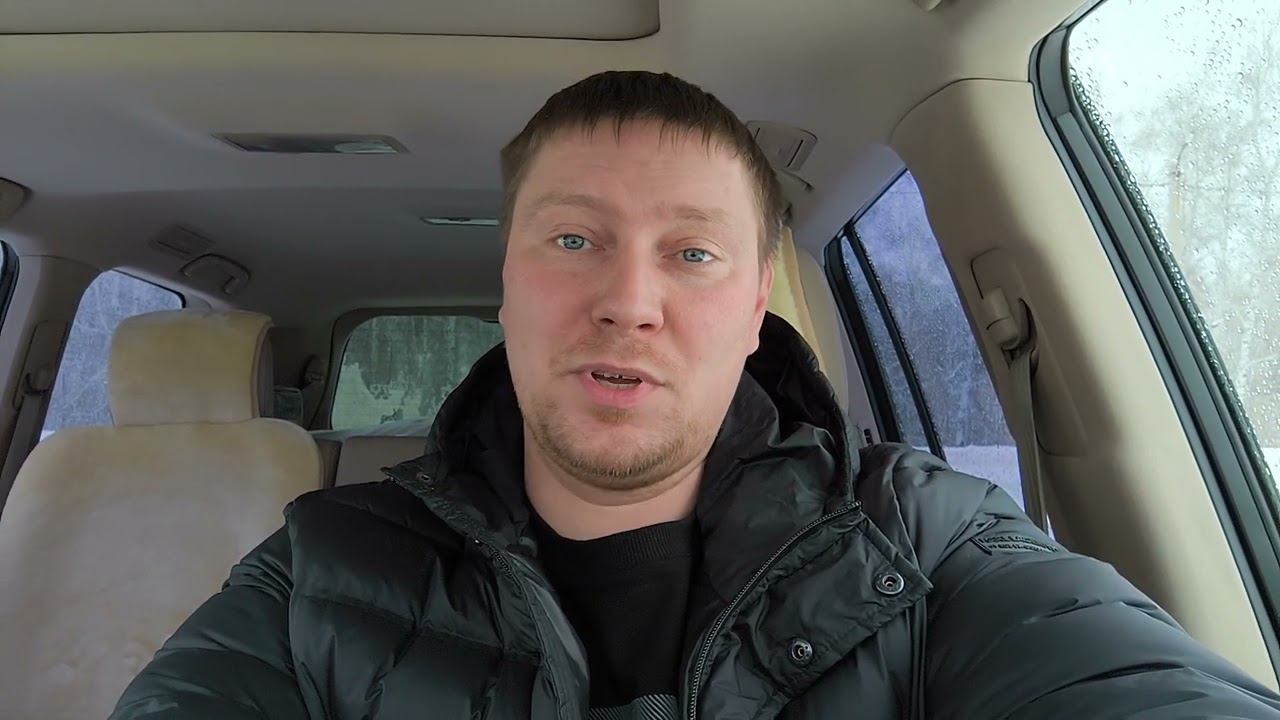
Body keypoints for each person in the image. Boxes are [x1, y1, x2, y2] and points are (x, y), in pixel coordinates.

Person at [112, 71, 1280, 720]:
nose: (629, 301)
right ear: (506, 284)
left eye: (692, 253)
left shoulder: (928, 541)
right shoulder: (314, 573)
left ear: (754, 304)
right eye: (573, 240)